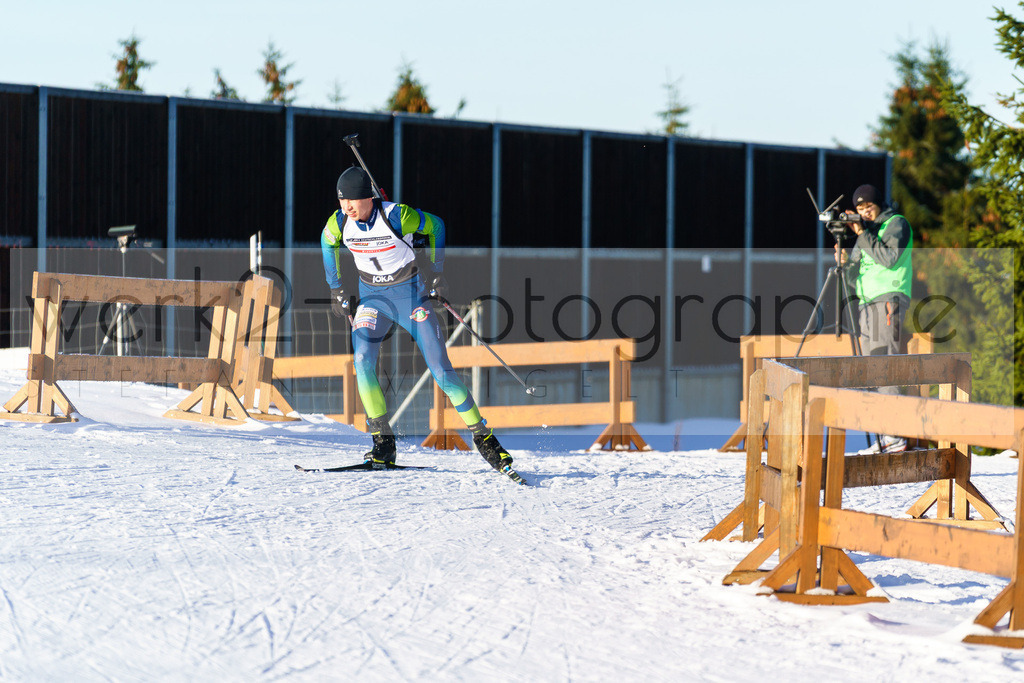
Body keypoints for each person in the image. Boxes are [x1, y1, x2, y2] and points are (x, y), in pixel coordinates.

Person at [321, 166, 516, 474]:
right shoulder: (339, 222)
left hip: (410, 298)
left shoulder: (398, 216)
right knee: (361, 361)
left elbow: (436, 226)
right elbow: (326, 241)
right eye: (341, 201)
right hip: (373, 300)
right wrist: (336, 288)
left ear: (368, 198)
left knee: (441, 371)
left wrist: (438, 272)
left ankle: (485, 438)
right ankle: (383, 442)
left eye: (352, 201)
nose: (346, 207)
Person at [835, 183, 913, 454]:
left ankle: (895, 437)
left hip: (888, 299)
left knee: (884, 365)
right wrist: (845, 265)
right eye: (860, 210)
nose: (865, 213)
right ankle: (883, 438)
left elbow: (889, 259)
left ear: (879, 205)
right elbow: (853, 279)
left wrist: (861, 233)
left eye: (869, 208)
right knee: (871, 368)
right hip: (867, 303)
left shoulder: (895, 224)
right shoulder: (866, 234)